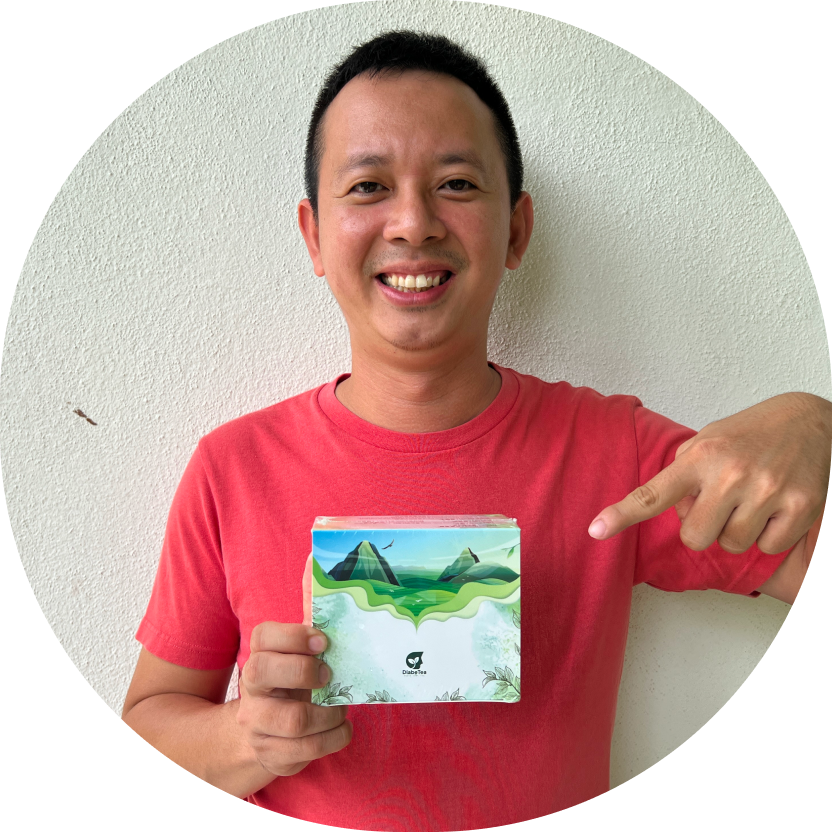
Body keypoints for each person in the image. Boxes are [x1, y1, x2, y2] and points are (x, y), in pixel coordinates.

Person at [122, 31, 828, 827]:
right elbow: (150, 717)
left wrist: (817, 424)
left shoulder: (614, 453)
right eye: (368, 186)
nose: (413, 223)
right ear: (314, 236)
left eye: (456, 183)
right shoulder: (233, 467)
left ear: (516, 230)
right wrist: (245, 737)